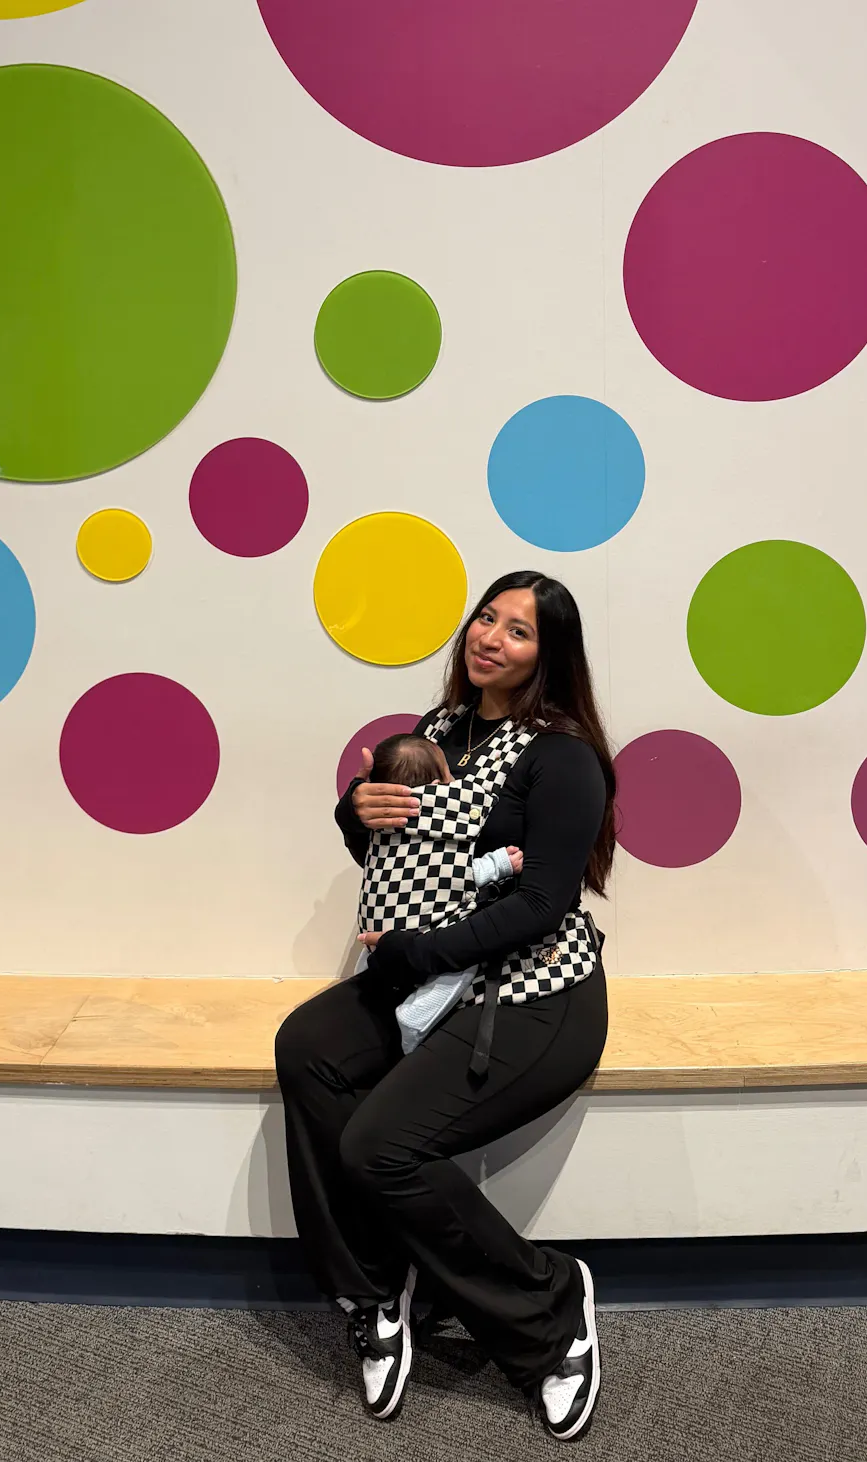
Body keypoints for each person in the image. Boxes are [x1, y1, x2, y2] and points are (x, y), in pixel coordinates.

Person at [275, 570, 616, 1441]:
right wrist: (355, 813)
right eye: (487, 618)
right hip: (430, 980)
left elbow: (541, 902)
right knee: (307, 1045)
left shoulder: (563, 756)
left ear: (549, 655)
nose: (491, 638)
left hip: (534, 991)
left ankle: (549, 1311)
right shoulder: (437, 731)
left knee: (379, 1148)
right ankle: (378, 1287)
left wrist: (414, 955)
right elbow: (396, 857)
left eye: (520, 630)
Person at [357, 730, 523, 1053]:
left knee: (371, 960)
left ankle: (365, 985)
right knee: (464, 959)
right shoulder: (446, 817)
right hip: (422, 929)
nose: (454, 782)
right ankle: (416, 1017)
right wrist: (499, 863)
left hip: (375, 926)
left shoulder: (382, 822)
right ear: (435, 788)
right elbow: (453, 876)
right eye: (448, 775)